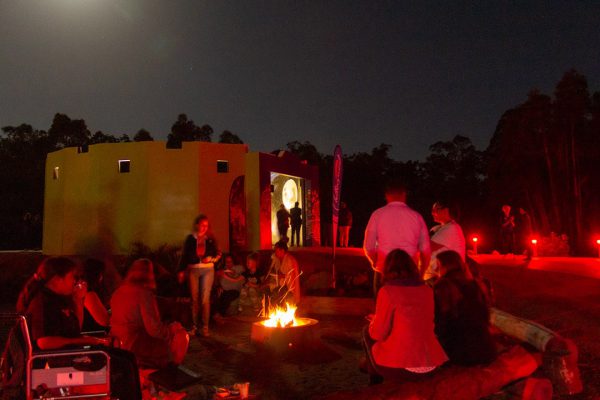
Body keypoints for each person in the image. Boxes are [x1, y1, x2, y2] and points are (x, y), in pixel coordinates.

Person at [363, 249, 448, 385]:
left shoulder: (387, 291)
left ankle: (375, 384)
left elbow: (378, 334)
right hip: (430, 364)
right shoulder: (427, 290)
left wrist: (375, 321)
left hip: (401, 367)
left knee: (367, 332)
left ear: (387, 269)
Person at [110, 259, 189, 369]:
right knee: (181, 335)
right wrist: (171, 330)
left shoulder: (118, 292)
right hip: (135, 345)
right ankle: (168, 372)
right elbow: (154, 330)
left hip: (117, 343)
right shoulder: (144, 294)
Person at [21, 257, 111, 350]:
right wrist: (81, 341)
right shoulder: (42, 302)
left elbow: (75, 331)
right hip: (53, 359)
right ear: (58, 279)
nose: (75, 281)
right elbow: (44, 342)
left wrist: (78, 300)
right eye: (73, 277)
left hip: (69, 354)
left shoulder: (60, 298)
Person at [363, 179, 431, 296]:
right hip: (410, 271)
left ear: (386, 195)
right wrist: (421, 272)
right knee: (408, 311)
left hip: (385, 269)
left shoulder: (377, 214)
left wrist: (375, 261)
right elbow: (426, 250)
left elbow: (368, 246)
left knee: (383, 309)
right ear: (404, 195)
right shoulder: (416, 216)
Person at [433, 251, 496, 366]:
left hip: (461, 349)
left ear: (444, 266)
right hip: (485, 346)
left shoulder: (444, 286)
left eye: (437, 265)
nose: (435, 269)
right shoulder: (476, 284)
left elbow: (441, 320)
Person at [178, 214, 221, 337]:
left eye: (206, 226)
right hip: (193, 270)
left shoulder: (210, 239)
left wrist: (211, 259)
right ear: (197, 225)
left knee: (205, 298)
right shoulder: (190, 239)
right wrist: (181, 271)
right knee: (194, 298)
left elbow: (218, 254)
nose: (204, 228)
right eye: (202, 225)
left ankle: (205, 327)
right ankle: (194, 326)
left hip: (207, 270)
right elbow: (184, 255)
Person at [424, 201, 466, 282]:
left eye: (435, 209)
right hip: (434, 276)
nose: (432, 212)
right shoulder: (437, 228)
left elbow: (427, 247)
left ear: (446, 210)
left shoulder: (451, 228)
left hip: (444, 278)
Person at [266, 241, 301, 305]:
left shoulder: (290, 260)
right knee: (268, 291)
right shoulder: (277, 260)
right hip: (279, 285)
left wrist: (283, 276)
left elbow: (293, 276)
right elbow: (273, 271)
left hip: (288, 288)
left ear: (282, 250)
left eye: (276, 251)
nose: (275, 253)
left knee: (276, 295)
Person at [81, 258, 111, 332]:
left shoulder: (84, 290)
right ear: (98, 275)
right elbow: (104, 321)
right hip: (93, 336)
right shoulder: (89, 294)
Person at [214, 254, 245, 318]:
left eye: (230, 261)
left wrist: (229, 273)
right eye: (226, 262)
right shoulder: (223, 269)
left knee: (226, 296)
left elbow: (239, 276)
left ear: (233, 261)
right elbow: (216, 277)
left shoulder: (239, 267)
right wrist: (218, 286)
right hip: (224, 290)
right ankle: (215, 316)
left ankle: (220, 315)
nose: (228, 263)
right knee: (217, 295)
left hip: (234, 290)